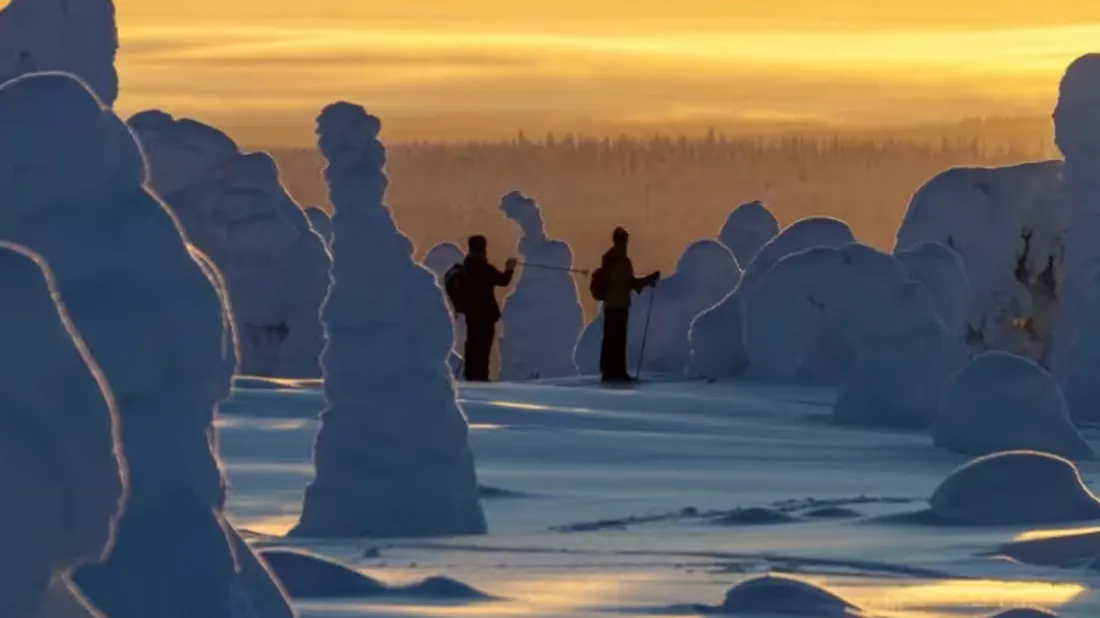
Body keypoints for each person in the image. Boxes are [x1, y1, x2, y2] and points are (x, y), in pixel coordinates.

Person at [600, 227, 659, 383]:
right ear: (625, 241)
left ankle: (608, 371)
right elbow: (631, 283)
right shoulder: (623, 262)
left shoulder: (607, 259)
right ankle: (618, 373)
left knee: (609, 339)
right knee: (619, 339)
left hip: (609, 305)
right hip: (620, 305)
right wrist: (649, 279)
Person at [462, 235, 516, 381]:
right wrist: (510, 268)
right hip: (485, 314)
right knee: (483, 346)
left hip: (471, 314)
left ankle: (471, 374)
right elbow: (503, 281)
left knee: (472, 343)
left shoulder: (466, 268)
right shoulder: (484, 268)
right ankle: (481, 376)